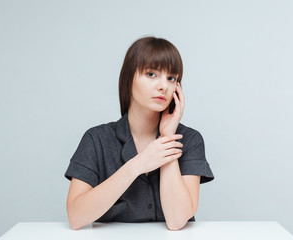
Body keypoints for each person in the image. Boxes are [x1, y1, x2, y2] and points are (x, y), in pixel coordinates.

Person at [64, 36, 214, 231]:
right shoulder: (96, 139)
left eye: (172, 78)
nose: (163, 86)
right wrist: (138, 164)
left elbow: (177, 221)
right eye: (151, 74)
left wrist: (167, 138)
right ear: (129, 78)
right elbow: (76, 217)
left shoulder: (190, 140)